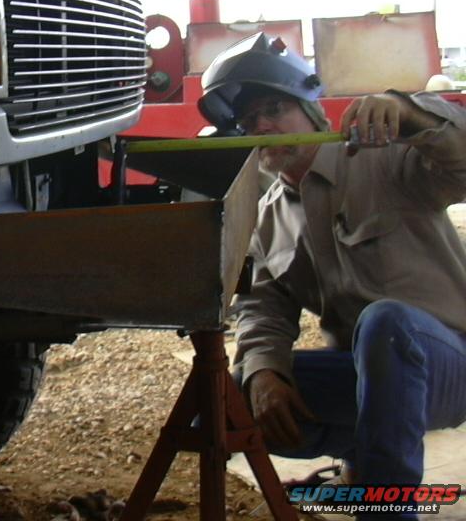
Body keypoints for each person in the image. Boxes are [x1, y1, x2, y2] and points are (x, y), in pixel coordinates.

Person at [197, 32, 466, 502]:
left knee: (386, 324)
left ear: (312, 112)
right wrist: (264, 372)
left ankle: (386, 506)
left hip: (450, 366)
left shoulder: (386, 160)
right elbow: (262, 310)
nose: (262, 125)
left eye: (274, 108)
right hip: (366, 375)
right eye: (249, 119)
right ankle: (361, 453)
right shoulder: (268, 218)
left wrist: (409, 113)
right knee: (223, 402)